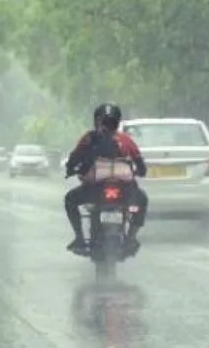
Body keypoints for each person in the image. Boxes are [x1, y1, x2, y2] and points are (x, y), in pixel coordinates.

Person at [63, 103, 149, 254]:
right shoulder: (126, 140)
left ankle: (80, 238)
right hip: (126, 192)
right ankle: (131, 238)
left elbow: (74, 159)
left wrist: (71, 170)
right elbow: (141, 165)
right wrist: (139, 172)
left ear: (96, 120)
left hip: (94, 191)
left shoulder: (88, 138)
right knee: (141, 201)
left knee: (70, 200)